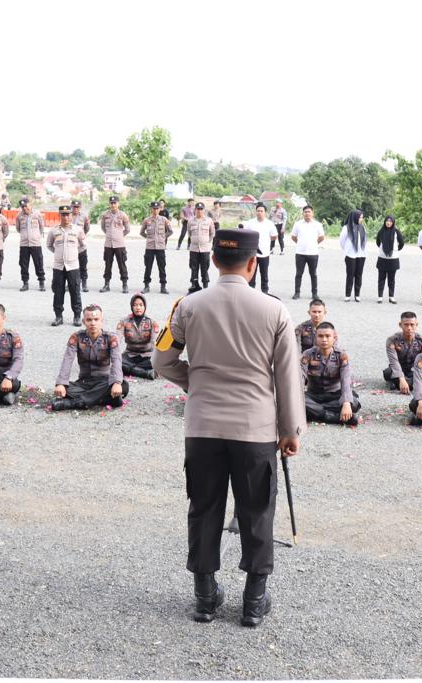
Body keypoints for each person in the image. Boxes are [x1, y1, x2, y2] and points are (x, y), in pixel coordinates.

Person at [153, 228, 305, 628]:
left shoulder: (188, 306)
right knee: (256, 510)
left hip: (203, 425)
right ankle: (253, 601)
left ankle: (205, 597)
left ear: (214, 261)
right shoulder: (274, 310)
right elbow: (288, 377)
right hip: (254, 429)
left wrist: (196, 382)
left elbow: (161, 360)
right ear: (254, 263)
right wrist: (290, 430)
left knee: (203, 507)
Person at [51, 304, 128, 410]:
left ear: (102, 321)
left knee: (124, 386)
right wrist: (61, 383)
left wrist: (116, 383)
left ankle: (74, 403)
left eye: (96, 319)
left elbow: (117, 361)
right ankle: (103, 399)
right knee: (65, 389)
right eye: (89, 320)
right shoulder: (76, 337)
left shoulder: (111, 338)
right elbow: (67, 360)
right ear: (83, 322)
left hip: (104, 381)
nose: (93, 323)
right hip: (84, 382)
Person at [301, 322, 360, 426]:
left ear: (334, 337)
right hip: (314, 395)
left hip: (334, 395)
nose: (324, 339)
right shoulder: (308, 354)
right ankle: (334, 417)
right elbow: (300, 378)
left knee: (353, 403)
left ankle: (314, 412)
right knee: (297, 401)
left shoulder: (342, 356)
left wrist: (346, 402)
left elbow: (346, 380)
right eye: (320, 336)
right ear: (315, 337)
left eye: (327, 336)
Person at [47, 205, 86, 326]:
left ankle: (77, 316)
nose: (66, 217)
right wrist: (59, 254)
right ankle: (58, 316)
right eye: (63, 214)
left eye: (68, 214)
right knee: (58, 291)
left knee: (75, 291)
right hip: (58, 267)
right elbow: (49, 245)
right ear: (59, 215)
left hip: (73, 266)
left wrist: (72, 255)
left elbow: (83, 246)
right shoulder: (54, 230)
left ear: (71, 215)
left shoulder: (78, 230)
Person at [382, 311, 422, 393]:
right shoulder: (392, 340)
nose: (409, 328)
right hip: (397, 369)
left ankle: (397, 384)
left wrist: (416, 375)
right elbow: (394, 361)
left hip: (414, 370)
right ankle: (407, 384)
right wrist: (401, 379)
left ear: (416, 325)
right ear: (400, 325)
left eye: (412, 324)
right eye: (406, 325)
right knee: (387, 372)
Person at [117, 293, 160, 379]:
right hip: (129, 355)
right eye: (135, 305)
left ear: (145, 307)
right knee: (117, 361)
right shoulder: (123, 321)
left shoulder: (152, 322)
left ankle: (130, 369)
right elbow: (117, 339)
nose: (138, 307)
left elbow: (154, 342)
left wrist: (157, 358)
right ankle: (145, 373)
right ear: (131, 307)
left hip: (147, 355)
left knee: (158, 362)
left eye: (141, 305)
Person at [290, 205, 325, 300]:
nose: (307, 213)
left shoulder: (317, 224)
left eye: (309, 212)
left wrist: (314, 244)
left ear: (312, 213)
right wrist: (300, 243)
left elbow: (321, 237)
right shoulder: (298, 224)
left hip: (313, 253)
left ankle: (314, 293)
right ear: (303, 214)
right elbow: (293, 236)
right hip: (300, 253)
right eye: (305, 212)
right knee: (298, 273)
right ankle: (297, 292)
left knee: (313, 274)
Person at [241, 202, 277, 292]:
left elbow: (274, 236)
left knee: (264, 274)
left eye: (261, 211)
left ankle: (265, 291)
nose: (259, 212)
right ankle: (250, 291)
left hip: (264, 253)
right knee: (251, 273)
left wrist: (266, 241)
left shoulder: (270, 224)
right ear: (256, 212)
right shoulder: (250, 223)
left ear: (265, 212)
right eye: (258, 211)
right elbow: (244, 233)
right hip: (252, 254)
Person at [140, 201, 174, 294]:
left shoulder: (164, 220)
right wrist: (149, 238)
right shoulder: (147, 220)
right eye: (154, 208)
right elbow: (142, 232)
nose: (155, 210)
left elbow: (170, 231)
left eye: (157, 208)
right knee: (148, 267)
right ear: (151, 209)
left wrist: (163, 237)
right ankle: (146, 286)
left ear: (160, 209)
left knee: (162, 267)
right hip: (150, 247)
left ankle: (163, 286)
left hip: (160, 247)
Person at [101, 196, 131, 293]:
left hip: (119, 245)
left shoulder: (123, 215)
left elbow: (127, 229)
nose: (113, 205)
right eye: (111, 203)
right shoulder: (105, 215)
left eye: (115, 203)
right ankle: (106, 284)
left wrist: (119, 236)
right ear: (109, 204)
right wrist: (110, 235)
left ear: (118, 204)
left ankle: (125, 284)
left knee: (122, 265)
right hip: (108, 244)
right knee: (107, 265)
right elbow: (103, 228)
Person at [15, 197, 47, 292]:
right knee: (23, 265)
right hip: (24, 244)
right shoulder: (19, 216)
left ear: (30, 204)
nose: (25, 208)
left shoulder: (37, 214)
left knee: (39, 264)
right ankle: (25, 283)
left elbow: (41, 227)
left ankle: (41, 282)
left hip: (35, 244)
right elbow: (18, 228)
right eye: (22, 207)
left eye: (26, 206)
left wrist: (36, 236)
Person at [187, 202, 217, 292]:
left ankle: (205, 284)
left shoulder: (209, 220)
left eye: (201, 209)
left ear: (204, 210)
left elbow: (212, 233)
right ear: (195, 210)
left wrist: (207, 241)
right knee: (193, 267)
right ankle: (194, 284)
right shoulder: (190, 220)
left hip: (205, 249)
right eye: (198, 209)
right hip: (194, 248)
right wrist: (195, 239)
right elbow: (189, 233)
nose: (199, 211)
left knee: (205, 267)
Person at [339, 210, 367, 302]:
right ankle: (348, 294)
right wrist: (347, 250)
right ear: (355, 217)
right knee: (350, 275)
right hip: (350, 255)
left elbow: (364, 241)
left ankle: (357, 294)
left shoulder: (362, 227)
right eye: (360, 217)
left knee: (359, 275)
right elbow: (342, 241)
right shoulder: (346, 228)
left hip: (361, 255)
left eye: (362, 217)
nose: (361, 219)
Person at [375, 215, 404, 303]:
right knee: (381, 278)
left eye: (390, 221)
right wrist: (383, 250)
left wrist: (395, 250)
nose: (388, 222)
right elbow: (378, 242)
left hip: (393, 259)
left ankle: (391, 296)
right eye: (387, 221)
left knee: (391, 279)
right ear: (385, 222)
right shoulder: (381, 231)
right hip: (382, 258)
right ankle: (380, 297)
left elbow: (401, 243)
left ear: (393, 222)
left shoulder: (396, 232)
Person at [69, 200, 91, 292]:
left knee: (83, 265)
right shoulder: (67, 215)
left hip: (81, 246)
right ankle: (70, 283)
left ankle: (84, 283)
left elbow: (87, 228)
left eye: (77, 207)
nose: (76, 209)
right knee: (70, 266)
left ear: (80, 207)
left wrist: (81, 236)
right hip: (70, 246)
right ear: (71, 207)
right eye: (74, 207)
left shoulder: (84, 216)